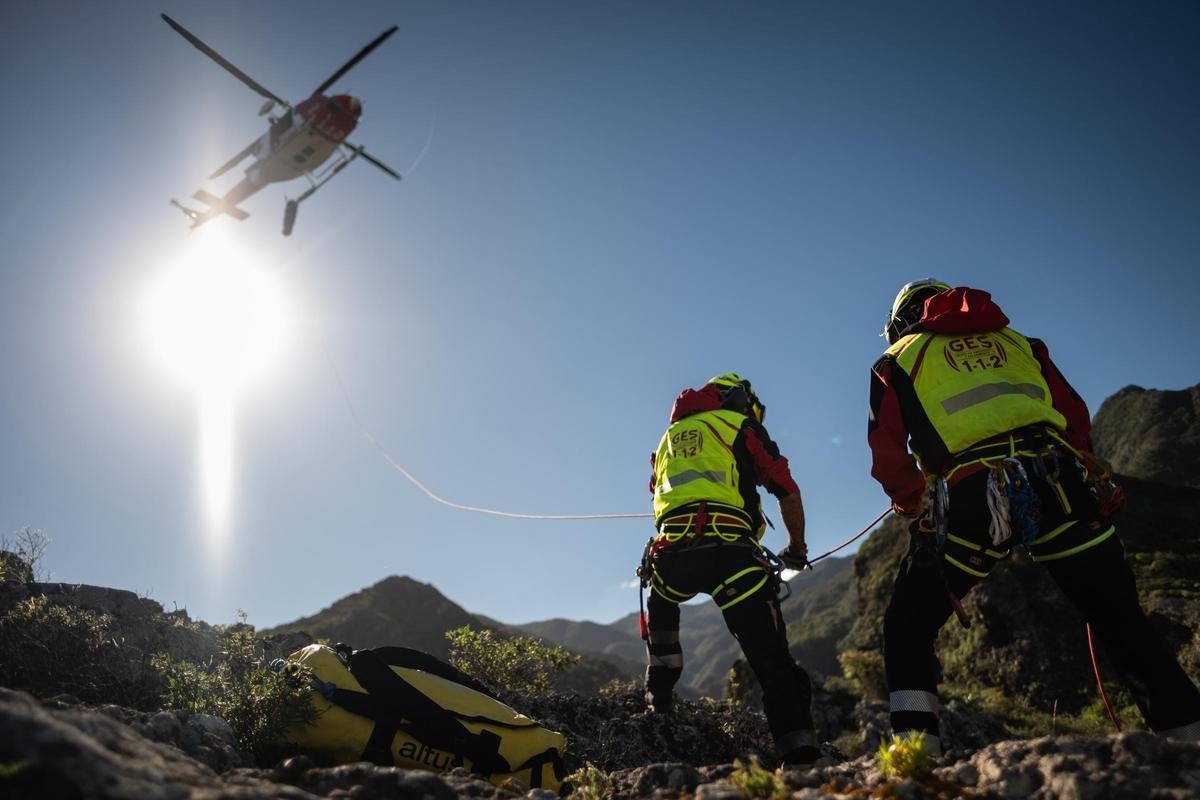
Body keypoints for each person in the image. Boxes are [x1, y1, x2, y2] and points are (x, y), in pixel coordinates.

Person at [868, 279, 1200, 754]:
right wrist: (1088, 475)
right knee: (1119, 617)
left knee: (909, 624)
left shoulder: (898, 358)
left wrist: (911, 503)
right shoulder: (1020, 342)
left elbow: (887, 453)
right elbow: (1074, 416)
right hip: (1060, 478)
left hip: (976, 493)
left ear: (902, 321)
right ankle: (1189, 743)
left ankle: (917, 754)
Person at [641, 373, 820, 766]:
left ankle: (657, 710)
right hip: (730, 553)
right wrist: (796, 548)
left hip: (671, 556)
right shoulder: (739, 425)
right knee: (773, 663)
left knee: (662, 624)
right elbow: (785, 488)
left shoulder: (667, 438)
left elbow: (657, 492)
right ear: (740, 400)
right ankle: (800, 757)